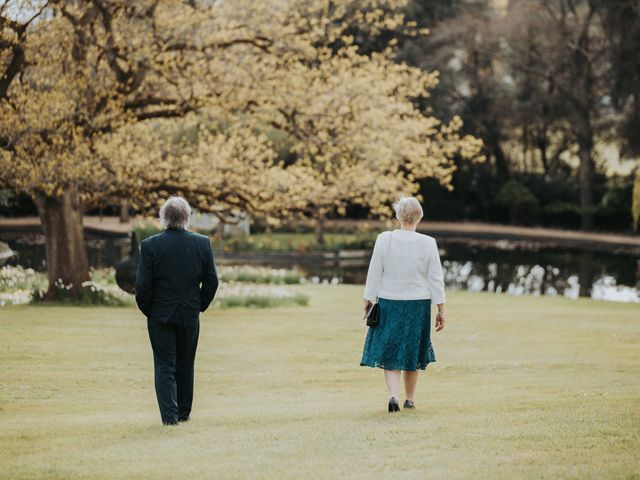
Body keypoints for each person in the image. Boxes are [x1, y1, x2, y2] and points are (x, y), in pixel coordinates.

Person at [135, 196, 219, 425]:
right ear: (187, 217)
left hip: (160, 314)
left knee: (164, 365)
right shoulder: (202, 243)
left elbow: (142, 287)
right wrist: (198, 305)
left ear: (163, 218)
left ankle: (170, 417)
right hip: (189, 313)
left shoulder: (150, 245)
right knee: (185, 363)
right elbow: (211, 281)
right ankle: (183, 412)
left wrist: (150, 310)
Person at [360, 196, 446, 412]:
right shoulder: (428, 243)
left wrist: (368, 298)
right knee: (412, 350)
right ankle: (409, 399)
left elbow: (375, 270)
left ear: (398, 216)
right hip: (418, 303)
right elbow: (435, 278)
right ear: (419, 217)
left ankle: (392, 396)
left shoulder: (384, 239)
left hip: (389, 301)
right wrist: (441, 309)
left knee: (390, 350)